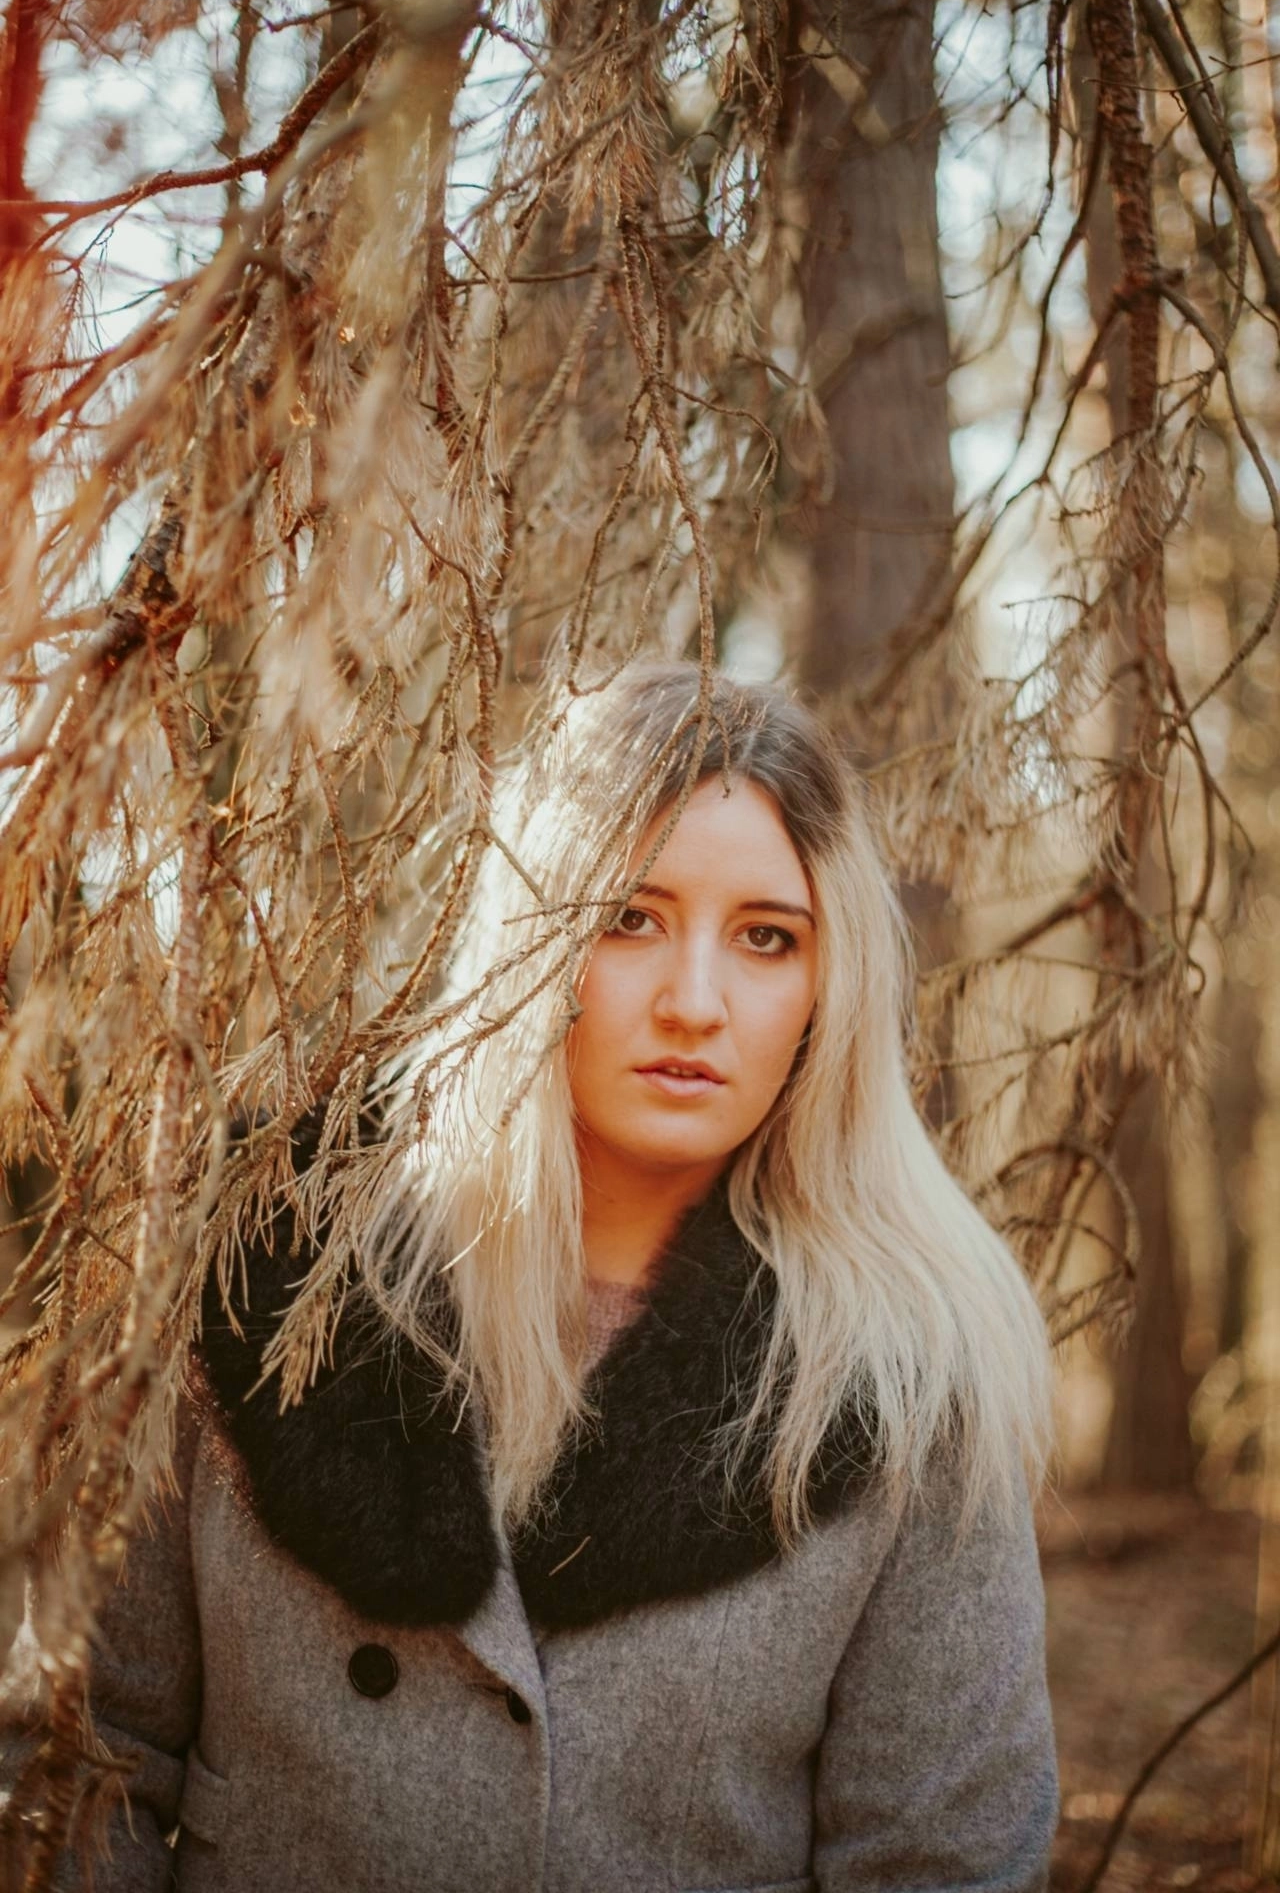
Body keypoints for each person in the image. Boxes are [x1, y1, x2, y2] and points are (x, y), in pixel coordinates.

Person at [1, 661, 1059, 1892]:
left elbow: (942, 1860)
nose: (695, 1003)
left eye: (765, 938)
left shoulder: (908, 1377)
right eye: (628, 918)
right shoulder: (258, 1267)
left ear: (829, 989)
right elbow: (80, 1767)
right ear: (528, 934)